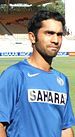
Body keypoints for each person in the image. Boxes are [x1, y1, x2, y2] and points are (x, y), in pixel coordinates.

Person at [0, 10, 75, 137]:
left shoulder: (61, 80)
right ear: (32, 37)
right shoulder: (14, 75)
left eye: (59, 34)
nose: (56, 40)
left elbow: (65, 128)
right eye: (49, 33)